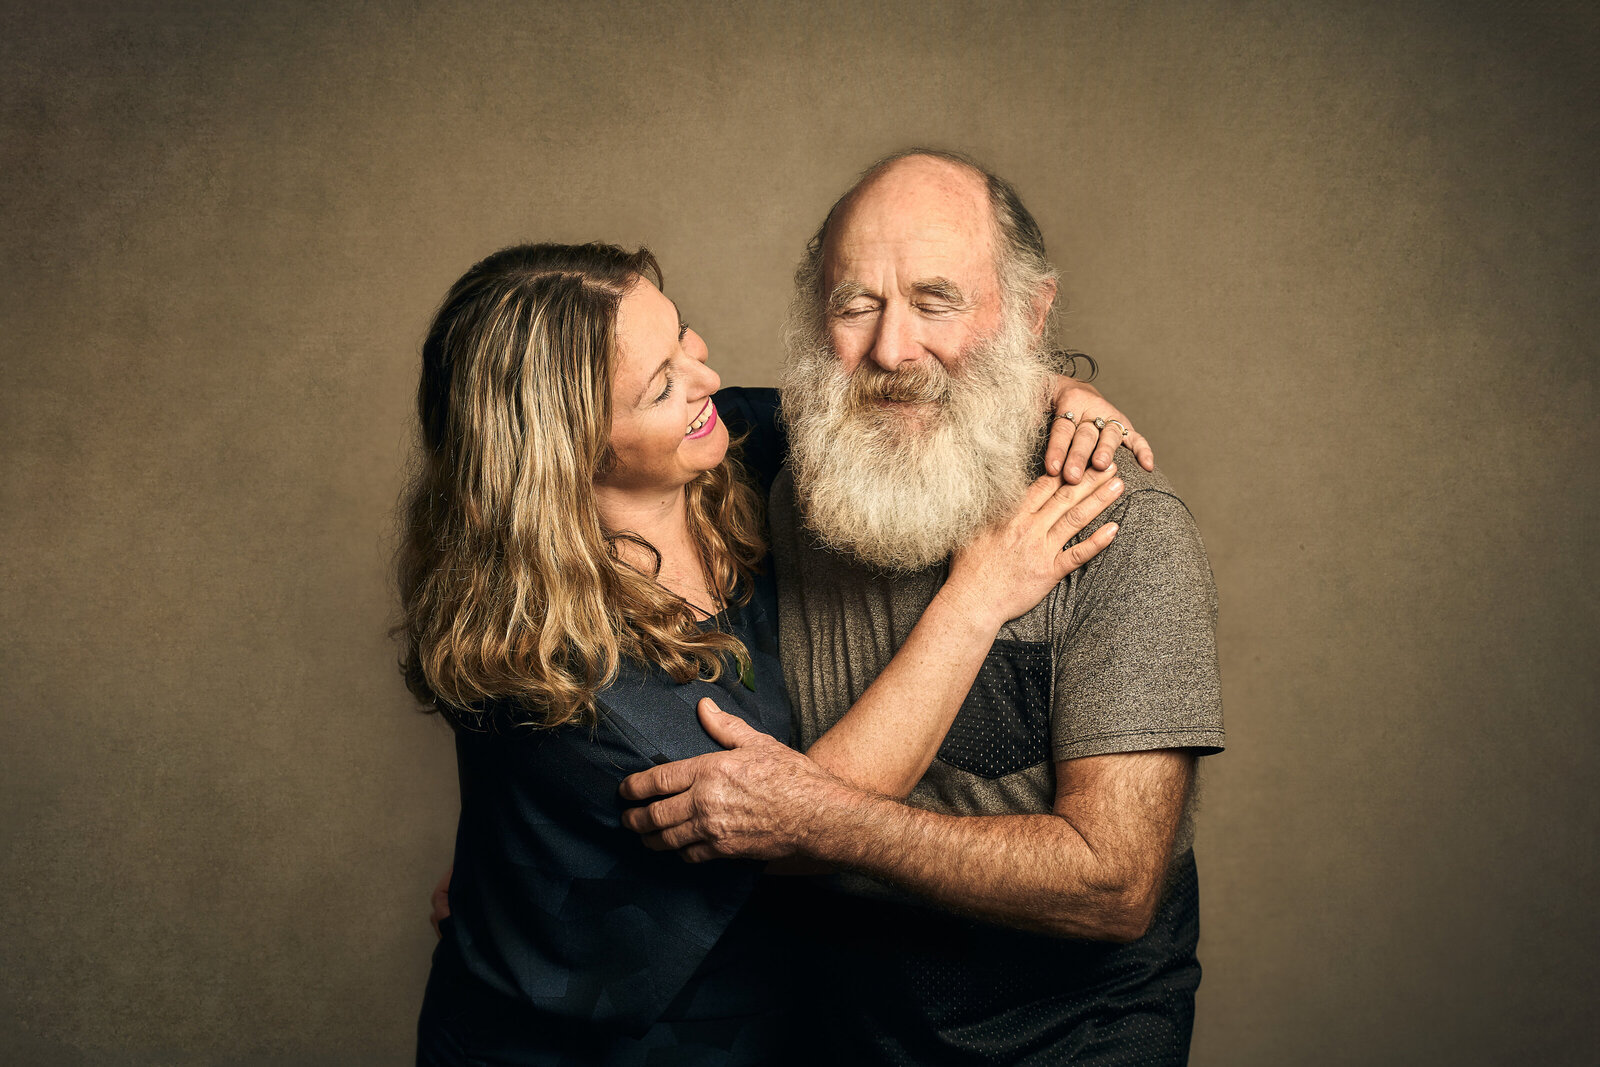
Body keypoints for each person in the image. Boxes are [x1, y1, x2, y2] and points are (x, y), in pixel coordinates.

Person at [399, 241, 1147, 1064]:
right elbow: (804, 818)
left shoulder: (725, 450)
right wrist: (978, 597)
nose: (704, 378)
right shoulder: (571, 676)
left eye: (684, 337)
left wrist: (1048, 390)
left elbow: (878, 403)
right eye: (660, 386)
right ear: (566, 453)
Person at [621, 150, 1225, 1065]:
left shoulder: (1122, 525)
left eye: (936, 300)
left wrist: (821, 816)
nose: (893, 351)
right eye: (855, 303)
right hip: (830, 1033)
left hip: (1071, 1041)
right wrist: (534, 860)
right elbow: (585, 444)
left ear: (1030, 313)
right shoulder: (771, 471)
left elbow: (1114, 884)